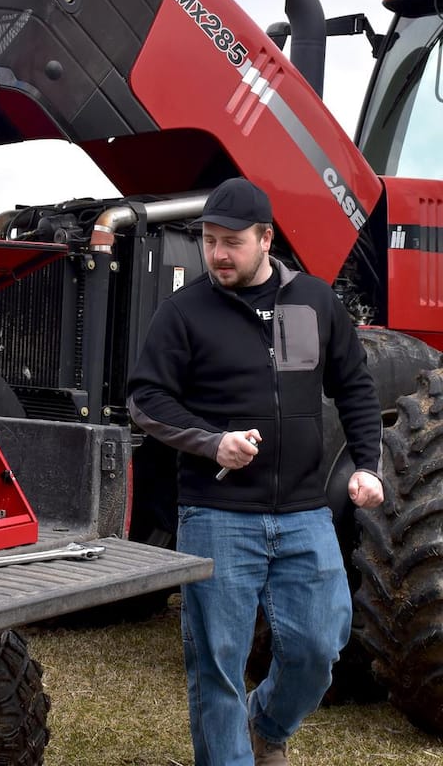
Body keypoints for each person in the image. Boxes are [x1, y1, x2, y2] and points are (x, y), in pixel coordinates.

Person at [127, 177, 384, 766]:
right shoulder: (183, 312)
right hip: (216, 514)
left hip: (303, 513)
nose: (217, 254)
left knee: (320, 646)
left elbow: (355, 388)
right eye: (209, 241)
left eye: (231, 242)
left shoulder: (315, 301)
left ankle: (267, 724)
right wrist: (212, 443)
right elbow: (147, 399)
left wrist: (366, 464)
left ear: (265, 238)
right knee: (217, 662)